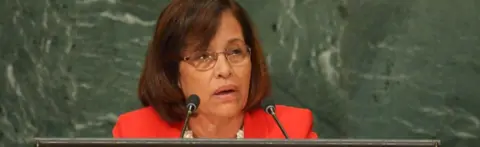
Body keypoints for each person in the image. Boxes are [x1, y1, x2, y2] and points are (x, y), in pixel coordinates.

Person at [112, 0, 317, 139]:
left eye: (235, 52)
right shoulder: (136, 133)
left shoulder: (290, 131)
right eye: (203, 56)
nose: (225, 70)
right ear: (173, 74)